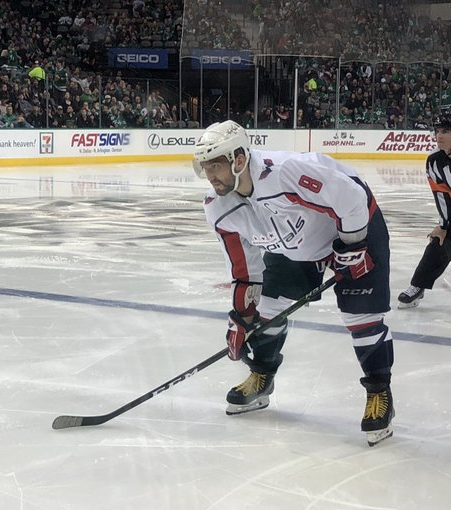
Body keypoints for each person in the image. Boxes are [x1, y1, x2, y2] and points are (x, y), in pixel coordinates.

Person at [193, 120, 395, 446]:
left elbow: (351, 197)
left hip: (353, 226)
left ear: (239, 160)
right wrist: (242, 316)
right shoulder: (219, 208)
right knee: (269, 307)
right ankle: (261, 375)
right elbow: (245, 270)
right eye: (206, 167)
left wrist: (354, 246)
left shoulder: (287, 172)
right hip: (293, 244)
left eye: (216, 165)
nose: (210, 175)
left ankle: (378, 391)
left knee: (361, 317)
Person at [398, 110, 451, 308]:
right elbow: (442, 195)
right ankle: (418, 286)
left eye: (446, 131)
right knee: (439, 242)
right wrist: (444, 225)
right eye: (437, 131)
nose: (440, 136)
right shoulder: (434, 161)